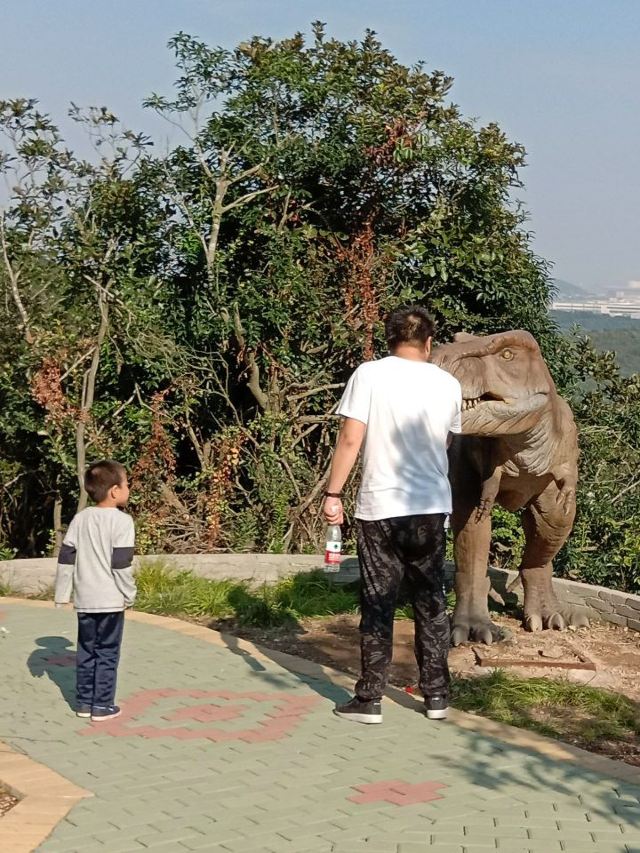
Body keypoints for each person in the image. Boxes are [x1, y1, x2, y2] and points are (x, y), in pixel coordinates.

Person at [323, 305, 462, 724]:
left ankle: (370, 699)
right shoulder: (448, 383)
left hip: (382, 507)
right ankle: (437, 695)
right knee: (431, 599)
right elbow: (448, 441)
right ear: (430, 342)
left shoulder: (370, 374)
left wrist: (333, 493)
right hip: (432, 507)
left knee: (379, 602)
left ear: (389, 339)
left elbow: (351, 439)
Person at [54, 460, 136, 722]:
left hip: (85, 600)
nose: (128, 489)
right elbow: (121, 564)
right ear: (114, 490)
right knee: (108, 652)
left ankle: (83, 703)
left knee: (86, 651)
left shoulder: (81, 518)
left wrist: (61, 594)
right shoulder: (122, 522)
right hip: (110, 601)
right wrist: (129, 593)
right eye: (126, 484)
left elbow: (66, 556)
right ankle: (102, 705)